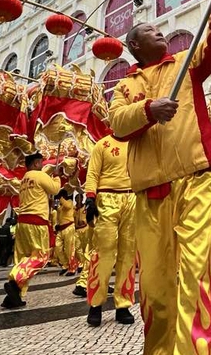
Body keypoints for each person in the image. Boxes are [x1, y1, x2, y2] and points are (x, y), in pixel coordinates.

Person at [109, 0, 211, 355]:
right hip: (150, 193)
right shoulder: (125, 87)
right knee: (156, 287)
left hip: (195, 178)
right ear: (134, 46)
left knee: (196, 273)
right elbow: (117, 123)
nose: (159, 31)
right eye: (149, 30)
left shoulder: (186, 63)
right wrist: (148, 109)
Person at [83, 134, 136, 327]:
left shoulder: (137, 142)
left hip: (132, 199)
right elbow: (92, 173)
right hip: (106, 198)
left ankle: (123, 305)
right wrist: (90, 197)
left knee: (128, 253)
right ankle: (95, 304)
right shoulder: (102, 144)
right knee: (103, 252)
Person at [3, 152, 60, 308]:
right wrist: (56, 177)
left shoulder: (24, 179)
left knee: (23, 258)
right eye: (40, 162)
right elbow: (55, 189)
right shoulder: (38, 175)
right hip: (37, 222)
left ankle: (15, 295)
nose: (42, 165)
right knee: (41, 257)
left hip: (23, 223)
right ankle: (15, 280)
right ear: (35, 163)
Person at [71, 194, 92, 298]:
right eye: (76, 198)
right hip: (78, 230)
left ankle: (102, 283)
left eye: (79, 198)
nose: (78, 200)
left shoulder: (86, 207)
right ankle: (83, 282)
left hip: (86, 228)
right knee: (81, 250)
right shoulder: (74, 209)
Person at [53, 189, 77, 276]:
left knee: (69, 250)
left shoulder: (69, 202)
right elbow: (59, 217)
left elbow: (67, 206)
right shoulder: (60, 206)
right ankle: (65, 265)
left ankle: (72, 268)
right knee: (57, 247)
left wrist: (61, 198)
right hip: (61, 229)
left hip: (69, 227)